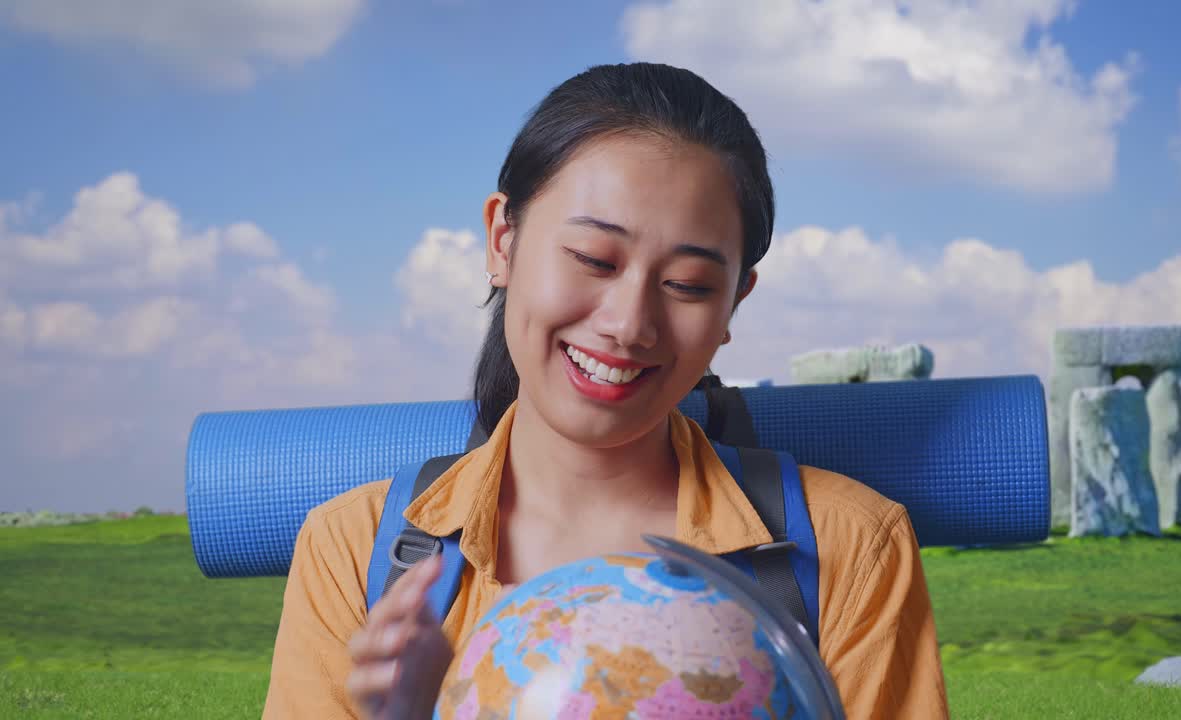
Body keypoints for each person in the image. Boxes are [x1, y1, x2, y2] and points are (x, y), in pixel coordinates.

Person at [262, 62, 950, 719]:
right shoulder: (355, 551)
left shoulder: (851, 548)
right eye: (594, 260)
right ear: (503, 241)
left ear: (735, 303)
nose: (629, 325)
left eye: (688, 285)